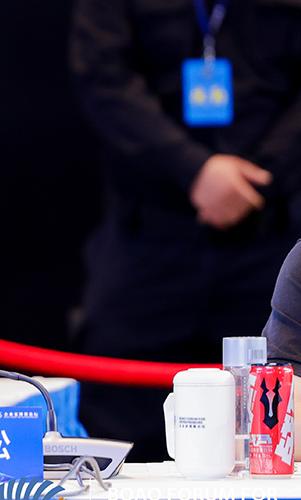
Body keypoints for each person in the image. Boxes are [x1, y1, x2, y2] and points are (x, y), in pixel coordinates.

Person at [70, 0, 301, 461]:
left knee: (266, 436)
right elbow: (103, 74)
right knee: (115, 425)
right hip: (149, 235)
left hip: (269, 233)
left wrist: (254, 178)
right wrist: (195, 171)